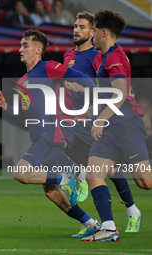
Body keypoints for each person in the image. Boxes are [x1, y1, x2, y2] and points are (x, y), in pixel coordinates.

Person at [0, 29, 101, 236]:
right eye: (20, 45)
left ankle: (65, 176)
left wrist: (90, 103)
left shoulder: (49, 67)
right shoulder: (22, 81)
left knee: (20, 173)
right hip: (39, 138)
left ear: (38, 50)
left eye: (25, 45)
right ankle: (90, 224)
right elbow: (24, 117)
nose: (20, 49)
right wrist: (6, 107)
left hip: (51, 135)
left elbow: (84, 80)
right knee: (51, 192)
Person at [61, 11, 142, 234]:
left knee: (125, 174)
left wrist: (95, 113)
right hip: (79, 117)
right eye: (75, 26)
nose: (77, 30)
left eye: (84, 27)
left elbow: (115, 91)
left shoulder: (104, 56)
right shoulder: (70, 55)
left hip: (108, 120)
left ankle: (132, 209)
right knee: (89, 169)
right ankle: (106, 225)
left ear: (95, 32)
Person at [78, 10, 152, 242]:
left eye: (94, 30)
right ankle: (109, 228)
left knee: (145, 182)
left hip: (126, 124)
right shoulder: (105, 56)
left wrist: (100, 119)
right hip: (110, 127)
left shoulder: (114, 57)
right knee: (93, 175)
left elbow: (119, 93)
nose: (91, 35)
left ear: (103, 32)